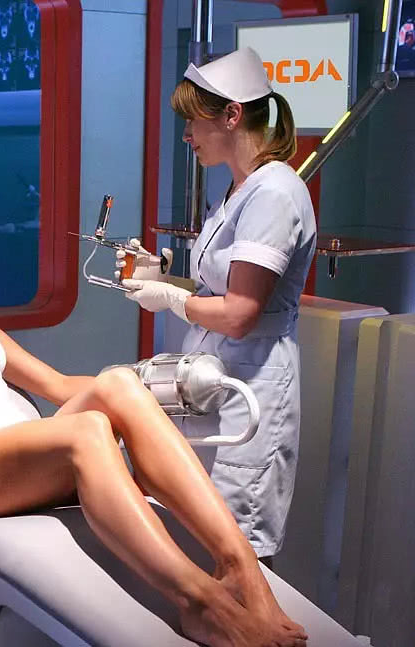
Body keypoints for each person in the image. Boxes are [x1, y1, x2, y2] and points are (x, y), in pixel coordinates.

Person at [0, 223, 308, 647]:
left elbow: (57, 386)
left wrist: (142, 392)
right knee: (89, 427)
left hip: (32, 454)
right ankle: (199, 602)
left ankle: (240, 567)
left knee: (117, 385)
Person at [120, 47, 316, 562]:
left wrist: (173, 299)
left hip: (252, 385)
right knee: (201, 538)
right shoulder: (238, 189)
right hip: (215, 381)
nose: (186, 135)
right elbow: (220, 287)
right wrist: (160, 278)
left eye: (193, 121)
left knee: (238, 547)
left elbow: (239, 313)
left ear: (231, 115)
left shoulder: (275, 193)